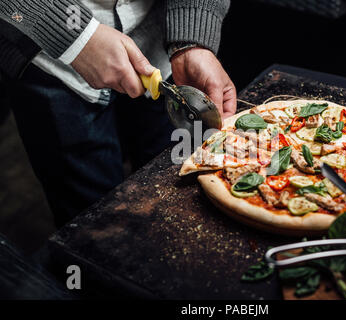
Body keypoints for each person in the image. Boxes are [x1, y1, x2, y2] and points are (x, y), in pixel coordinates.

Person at [0, 0, 236, 226]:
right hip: (48, 63)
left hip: (161, 43)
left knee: (174, 193)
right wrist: (75, 36)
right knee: (92, 221)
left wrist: (193, 36)